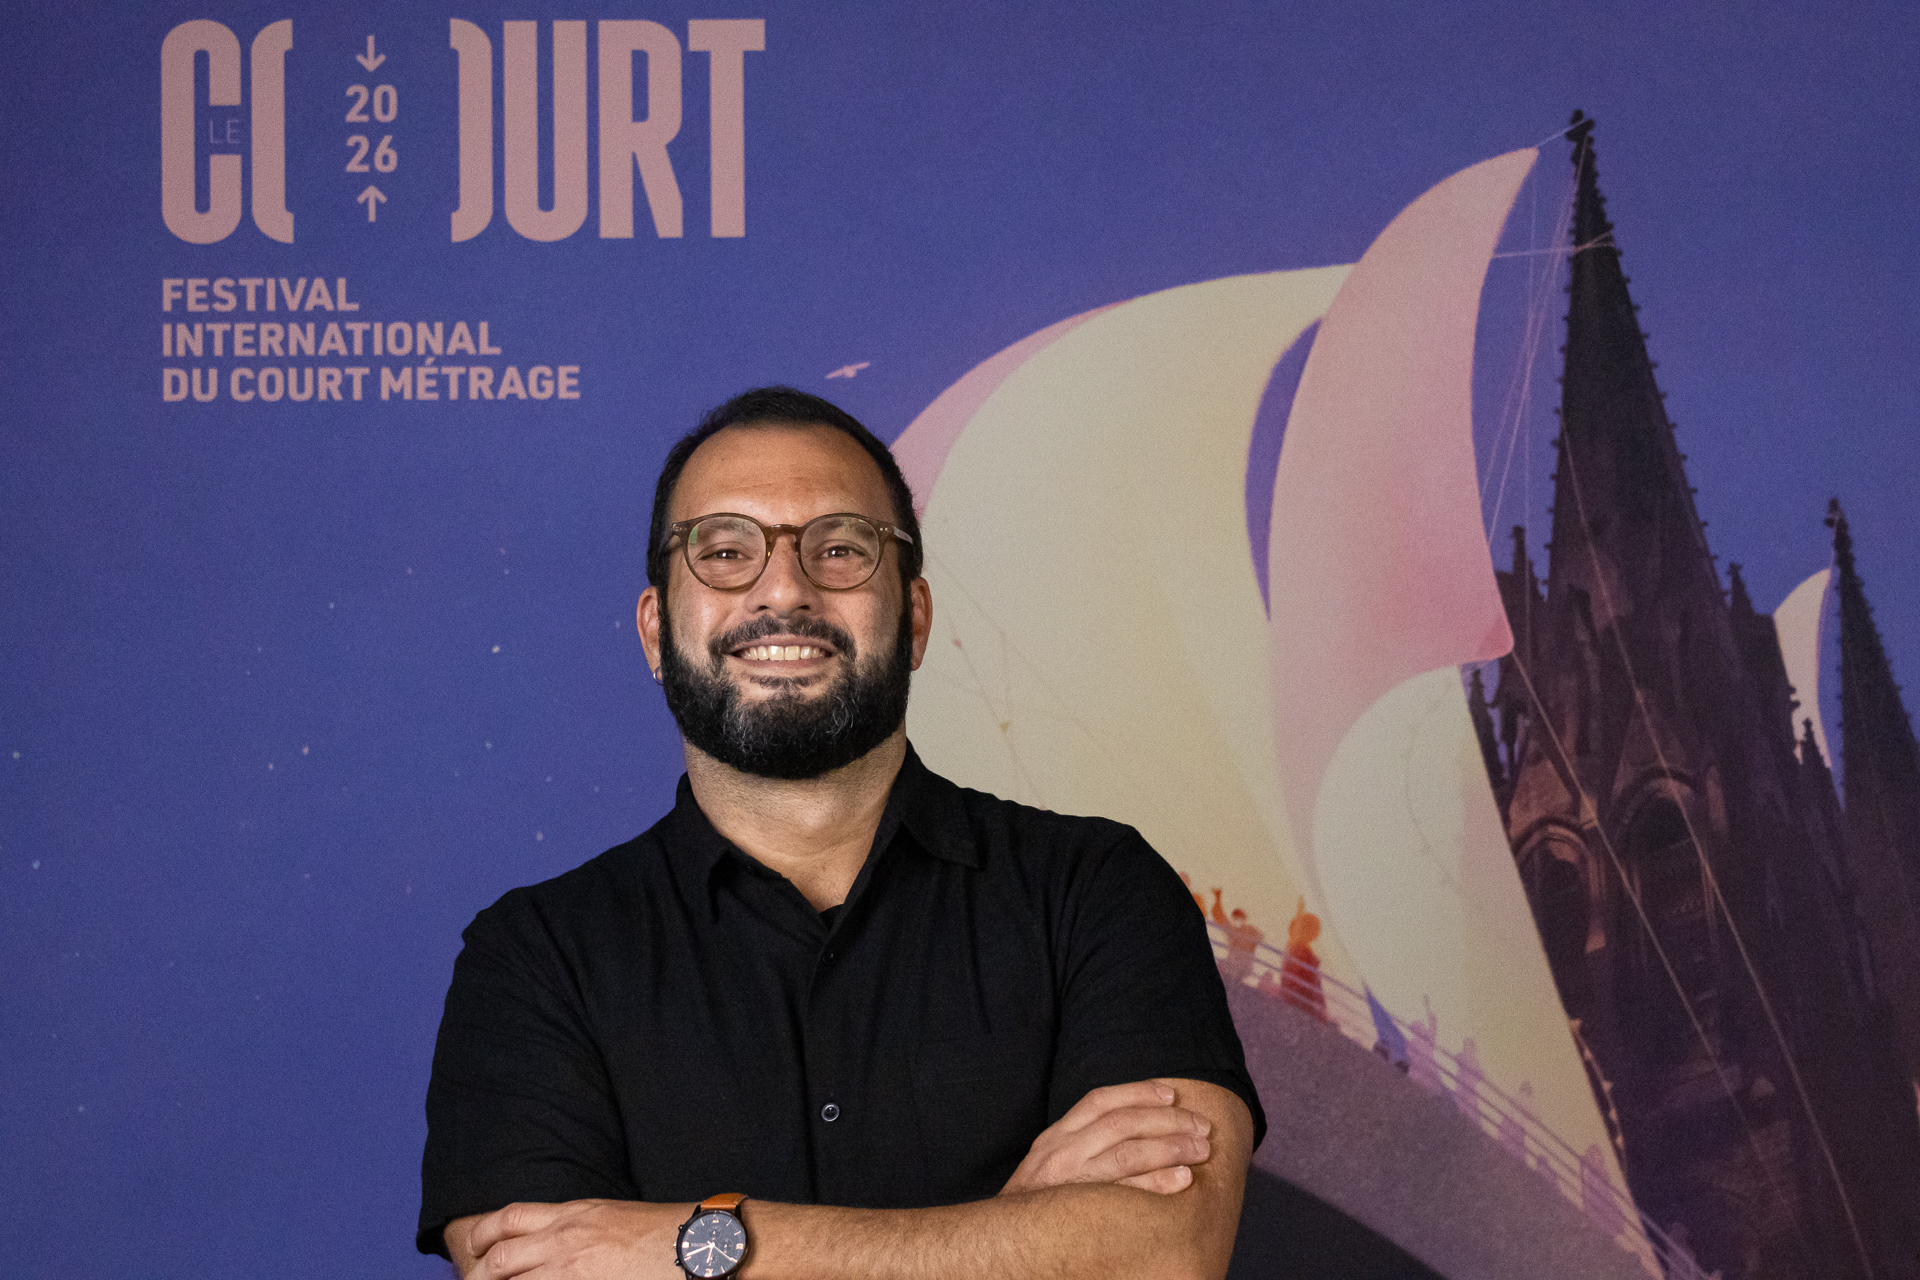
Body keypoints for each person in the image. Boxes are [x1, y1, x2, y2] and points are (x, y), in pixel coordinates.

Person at [418, 387, 1263, 1279]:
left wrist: (691, 1251)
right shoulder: (536, 958)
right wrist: (1022, 1235)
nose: (785, 588)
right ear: (656, 632)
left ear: (917, 619)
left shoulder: (1098, 892)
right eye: (725, 551)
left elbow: (1162, 1256)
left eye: (841, 549)